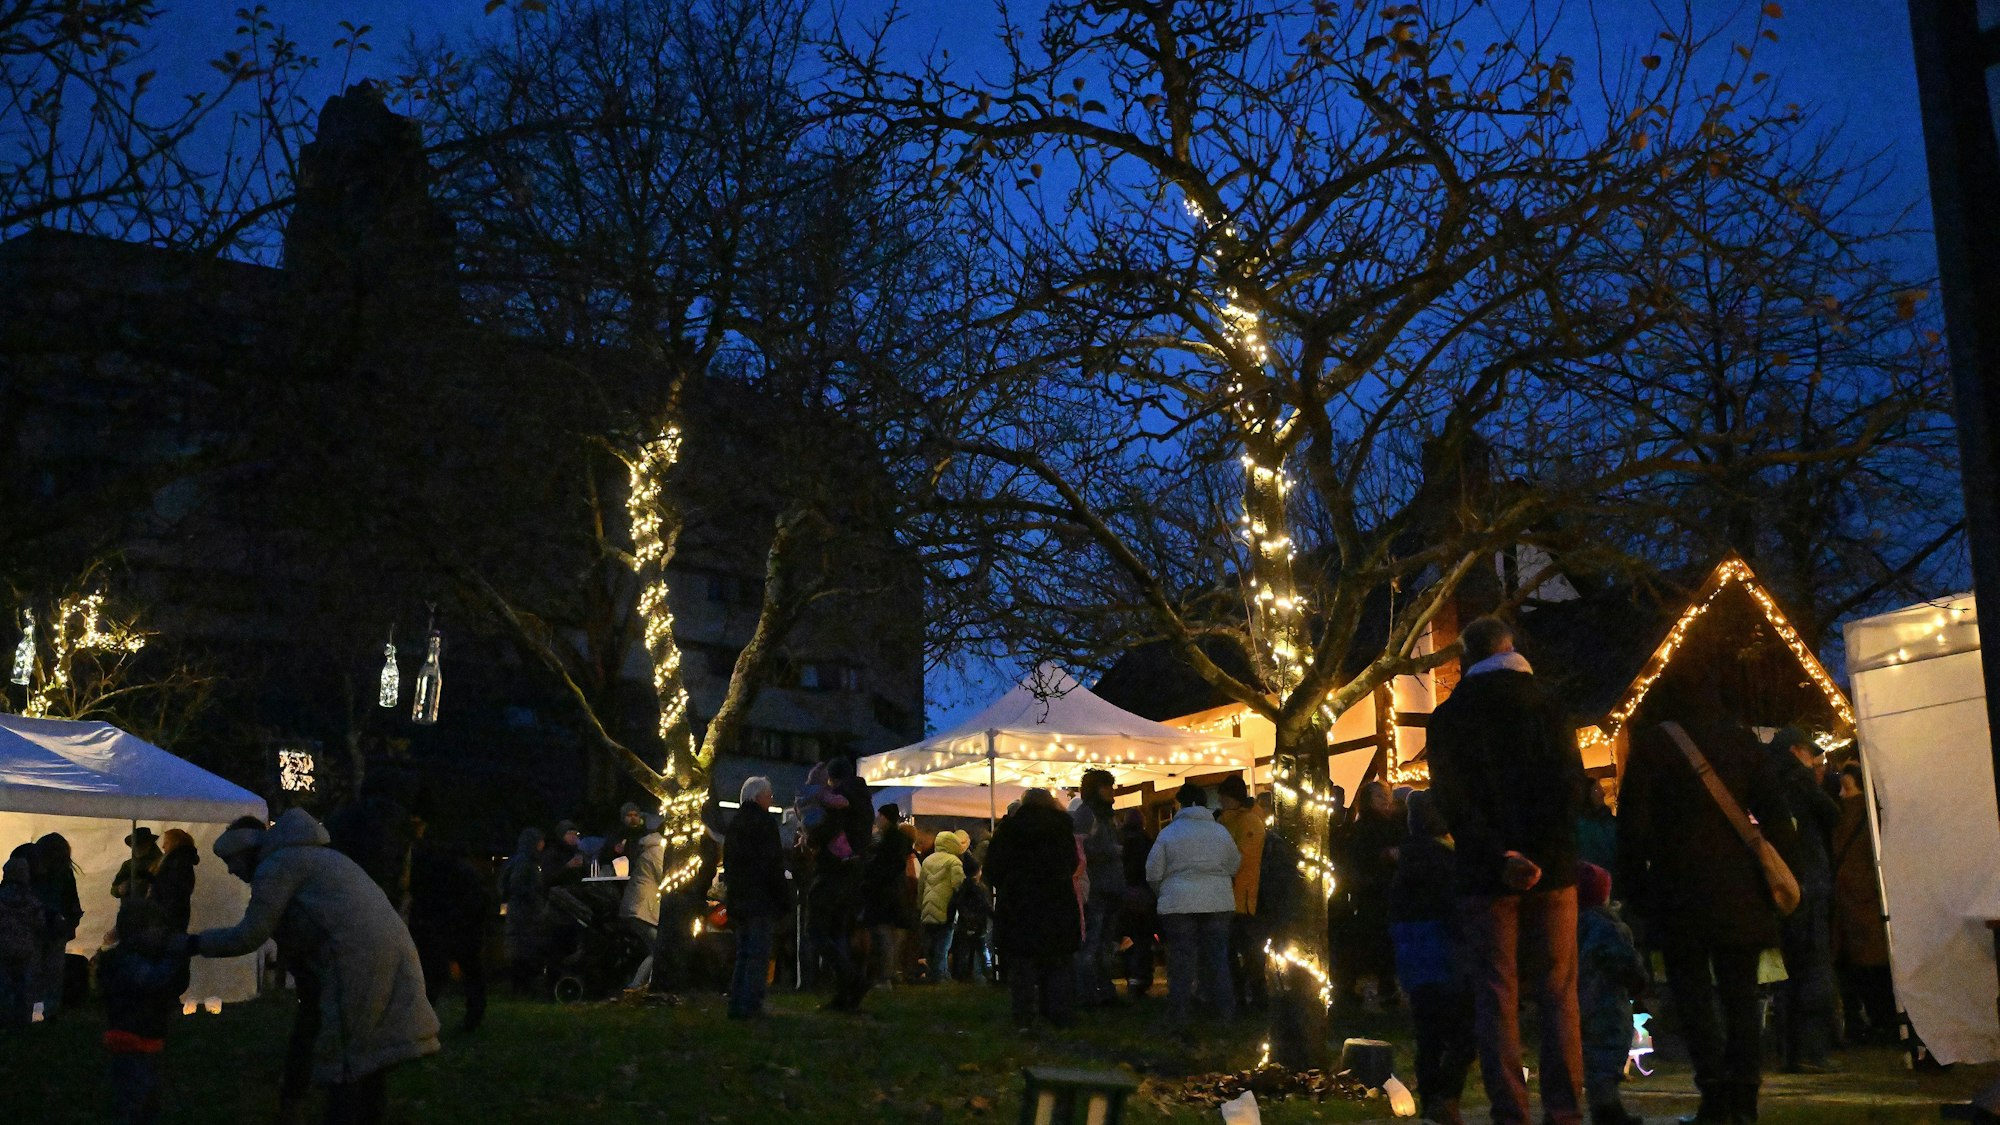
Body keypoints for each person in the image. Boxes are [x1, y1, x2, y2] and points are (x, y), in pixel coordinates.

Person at [1425, 615, 1588, 1125]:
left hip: (1485, 873)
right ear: (1510, 647)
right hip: (1554, 871)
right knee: (1559, 991)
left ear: (1468, 656)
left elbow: (1453, 801)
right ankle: (1563, 1110)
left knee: (1497, 995)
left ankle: (1510, 1111)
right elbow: (1569, 785)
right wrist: (1542, 853)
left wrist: (1502, 854)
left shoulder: (1450, 718)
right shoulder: (1549, 702)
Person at [1618, 673, 1797, 1125]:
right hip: (1741, 891)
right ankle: (1746, 1094)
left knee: (1692, 994)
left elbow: (1632, 830)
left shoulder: (1654, 746)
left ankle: (1714, 1090)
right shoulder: (1741, 743)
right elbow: (1777, 817)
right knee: (1741, 992)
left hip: (1680, 892)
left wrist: (1636, 890)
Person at [189, 808, 440, 1124]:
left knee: (344, 1059)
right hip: (385, 952)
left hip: (353, 959)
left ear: (245, 851)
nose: (231, 871)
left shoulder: (278, 865)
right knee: (369, 1054)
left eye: (231, 862)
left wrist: (192, 943)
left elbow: (249, 935)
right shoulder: (321, 858)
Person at [1389, 791, 1475, 1125]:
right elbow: (1455, 911)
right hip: (1446, 957)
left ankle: (1431, 1105)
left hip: (1415, 961)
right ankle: (1446, 1098)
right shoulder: (1445, 861)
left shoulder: (1407, 863)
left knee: (1429, 1036)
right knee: (1464, 1033)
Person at [1767, 727, 1841, 1074]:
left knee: (1786, 971)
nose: (1817, 761)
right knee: (1814, 966)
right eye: (1813, 754)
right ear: (1797, 751)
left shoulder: (1764, 780)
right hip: (1810, 882)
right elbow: (1832, 815)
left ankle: (1789, 1050)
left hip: (1780, 885)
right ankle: (1813, 1049)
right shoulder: (1800, 779)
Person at [985, 788, 1083, 1031]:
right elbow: (1072, 863)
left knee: (1023, 964)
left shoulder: (1010, 829)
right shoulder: (1062, 829)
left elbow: (993, 868)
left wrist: (1010, 885)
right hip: (1056, 903)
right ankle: (1058, 1015)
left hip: (1019, 904)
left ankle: (1024, 1018)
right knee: (1057, 962)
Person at [1146, 784, 1241, 1033]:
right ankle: (1224, 1013)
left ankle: (1179, 1015)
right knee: (1217, 958)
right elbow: (1234, 864)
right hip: (1218, 901)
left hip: (1178, 903)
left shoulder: (1169, 833)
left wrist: (1164, 890)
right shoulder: (1220, 832)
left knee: (1181, 960)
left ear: (1180, 804)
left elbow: (1153, 871)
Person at [98, 898, 190, 1125]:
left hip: (145, 1040)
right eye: (156, 928)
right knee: (134, 1102)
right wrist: (173, 958)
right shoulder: (127, 960)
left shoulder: (130, 957)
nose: (162, 933)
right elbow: (152, 980)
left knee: (147, 1101)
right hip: (133, 1041)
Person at [1575, 863, 1647, 1125]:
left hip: (1577, 999)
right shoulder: (1610, 927)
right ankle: (1607, 1108)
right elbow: (1626, 963)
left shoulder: (1567, 924)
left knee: (1588, 1054)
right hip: (1607, 1000)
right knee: (1608, 1051)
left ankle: (1602, 1105)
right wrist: (1639, 981)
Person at [1830, 764, 1895, 1043]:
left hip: (1860, 904)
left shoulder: (1853, 818)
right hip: (1858, 905)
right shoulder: (1866, 816)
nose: (1843, 795)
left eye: (1848, 788)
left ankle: (1883, 1022)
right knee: (1869, 968)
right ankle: (1883, 1022)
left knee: (1870, 969)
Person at [408, 834, 492, 1032]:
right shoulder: (465, 871)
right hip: (463, 926)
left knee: (436, 973)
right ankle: (473, 1014)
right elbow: (480, 900)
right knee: (469, 972)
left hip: (448, 926)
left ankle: (424, 1018)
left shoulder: (432, 871)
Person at [807, 756, 872, 1011]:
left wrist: (812, 837)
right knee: (839, 932)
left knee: (818, 932)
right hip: (854, 872)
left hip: (833, 871)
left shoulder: (839, 799)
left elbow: (828, 830)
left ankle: (852, 981)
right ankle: (846, 996)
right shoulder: (863, 798)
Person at [1333, 780, 1403, 1010]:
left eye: (1386, 796)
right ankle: (1378, 990)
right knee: (1376, 943)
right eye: (1380, 797)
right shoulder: (1364, 829)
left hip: (1384, 891)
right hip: (1373, 892)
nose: (1385, 801)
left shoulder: (1392, 825)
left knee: (1382, 944)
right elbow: (1360, 859)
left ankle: (1383, 989)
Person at [725, 776, 789, 1019]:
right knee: (758, 953)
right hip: (761, 898)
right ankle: (752, 1004)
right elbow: (773, 864)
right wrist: (782, 897)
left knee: (744, 952)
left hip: (740, 898)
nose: (771, 800)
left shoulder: (735, 824)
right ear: (758, 797)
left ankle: (737, 1003)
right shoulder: (764, 823)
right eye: (769, 795)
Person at [1071, 768, 1126, 1006]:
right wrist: (1112, 851)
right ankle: (1087, 993)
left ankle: (1103, 991)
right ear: (1097, 788)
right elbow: (1080, 850)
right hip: (1096, 888)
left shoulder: (1105, 815)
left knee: (1103, 944)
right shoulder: (1088, 815)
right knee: (1092, 944)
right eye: (1107, 786)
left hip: (1110, 886)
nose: (1112, 791)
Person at [1215, 773, 1267, 1010]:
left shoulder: (1247, 822)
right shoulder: (1236, 820)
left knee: (1248, 953)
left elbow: (1242, 859)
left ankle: (1252, 998)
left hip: (1244, 898)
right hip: (1237, 896)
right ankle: (1245, 997)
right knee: (1241, 952)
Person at [30, 832, 82, 1022]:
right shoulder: (61, 873)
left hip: (45, 927)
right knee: (49, 970)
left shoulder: (39, 872)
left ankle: (40, 1010)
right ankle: (46, 1010)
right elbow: (71, 901)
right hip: (48, 927)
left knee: (42, 969)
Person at [861, 805, 915, 988]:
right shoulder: (897, 840)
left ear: (885, 817)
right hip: (892, 894)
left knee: (883, 935)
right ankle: (888, 975)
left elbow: (885, 867)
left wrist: (872, 879)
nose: (877, 819)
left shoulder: (888, 840)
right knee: (889, 935)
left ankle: (885, 977)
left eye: (880, 816)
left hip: (884, 895)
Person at [0, 845, 46, 1030]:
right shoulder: (32, 899)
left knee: (3, 988)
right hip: (25, 951)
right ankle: (21, 1024)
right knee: (23, 989)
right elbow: (40, 923)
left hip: (2, 949)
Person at [499, 828, 550, 995]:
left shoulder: (525, 860)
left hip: (523, 911)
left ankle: (521, 988)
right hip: (524, 913)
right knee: (523, 951)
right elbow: (517, 886)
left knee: (522, 951)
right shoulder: (525, 862)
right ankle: (522, 988)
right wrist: (534, 896)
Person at [620, 815, 665, 990]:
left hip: (637, 906)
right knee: (658, 948)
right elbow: (663, 875)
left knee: (655, 948)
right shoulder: (657, 851)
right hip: (641, 908)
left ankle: (646, 984)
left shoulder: (650, 848)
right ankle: (636, 985)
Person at [1117, 809, 1157, 998]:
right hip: (1143, 896)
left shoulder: (1119, 841)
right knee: (1142, 938)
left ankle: (1131, 977)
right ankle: (1140, 978)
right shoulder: (1147, 842)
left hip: (1122, 895)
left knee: (1127, 939)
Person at [918, 827, 967, 983]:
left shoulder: (927, 860)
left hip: (927, 907)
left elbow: (921, 886)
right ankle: (940, 976)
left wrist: (921, 904)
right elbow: (958, 885)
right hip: (947, 908)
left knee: (931, 944)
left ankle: (935, 973)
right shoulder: (954, 862)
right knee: (943, 944)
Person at [948, 855, 993, 983]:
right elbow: (986, 905)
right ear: (978, 871)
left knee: (964, 950)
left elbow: (954, 903)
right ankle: (984, 972)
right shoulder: (981, 889)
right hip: (979, 924)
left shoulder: (962, 887)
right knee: (981, 950)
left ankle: (962, 974)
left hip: (964, 923)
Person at [148, 829, 199, 934]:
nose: (163, 846)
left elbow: (171, 893)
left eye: (166, 842)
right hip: (169, 917)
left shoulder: (176, 863)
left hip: (166, 919)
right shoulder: (178, 862)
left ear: (175, 842)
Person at [1576, 780, 1619, 873]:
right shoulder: (1583, 825)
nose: (1603, 793)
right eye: (1596, 790)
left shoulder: (1609, 820)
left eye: (1601, 789)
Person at [112, 827, 164, 902]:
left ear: (149, 844)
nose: (135, 848)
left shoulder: (161, 863)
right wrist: (119, 889)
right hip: (131, 908)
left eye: (140, 844)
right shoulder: (128, 865)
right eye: (133, 845)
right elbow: (114, 888)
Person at [599, 803, 647, 868]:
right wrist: (615, 851)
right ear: (623, 818)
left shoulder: (645, 834)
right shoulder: (616, 835)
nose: (633, 817)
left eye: (636, 815)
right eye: (629, 815)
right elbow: (603, 858)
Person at [540, 821, 586, 889]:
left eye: (576, 834)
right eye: (569, 834)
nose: (573, 837)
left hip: (575, 892)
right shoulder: (552, 852)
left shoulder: (577, 852)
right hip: (557, 894)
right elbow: (548, 878)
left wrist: (584, 866)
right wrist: (567, 866)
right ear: (561, 835)